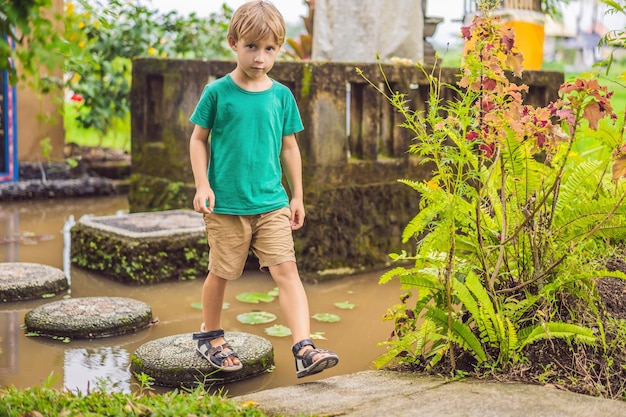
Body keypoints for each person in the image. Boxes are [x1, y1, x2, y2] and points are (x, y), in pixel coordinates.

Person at [188, 0, 339, 379]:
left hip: (271, 202)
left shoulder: (281, 96)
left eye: (269, 48)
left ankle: (304, 346)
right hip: (227, 204)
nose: (260, 57)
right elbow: (197, 139)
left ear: (279, 48)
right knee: (221, 271)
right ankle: (210, 335)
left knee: (287, 270)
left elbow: (290, 147)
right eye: (251, 47)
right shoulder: (217, 93)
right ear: (233, 43)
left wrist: (297, 195)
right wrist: (202, 184)